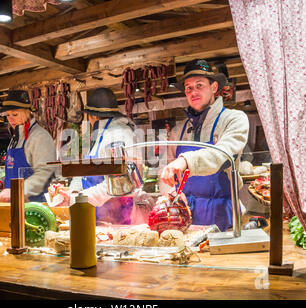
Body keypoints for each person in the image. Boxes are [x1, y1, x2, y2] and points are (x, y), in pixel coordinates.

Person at [159, 59, 249, 231]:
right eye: (189, 88)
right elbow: (164, 169)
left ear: (214, 87)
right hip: (184, 216)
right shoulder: (178, 131)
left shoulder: (234, 119)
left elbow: (223, 155)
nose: (193, 92)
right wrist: (169, 193)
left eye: (199, 85)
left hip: (223, 215)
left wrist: (184, 161)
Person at [71, 87, 139, 225]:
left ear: (93, 116)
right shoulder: (102, 134)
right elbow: (85, 170)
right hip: (96, 214)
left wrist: (81, 197)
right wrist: (73, 190)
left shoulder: (117, 134)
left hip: (116, 217)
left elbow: (121, 184)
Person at [0, 90, 56, 202]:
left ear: (27, 112)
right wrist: (2, 182)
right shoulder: (15, 138)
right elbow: (18, 173)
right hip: (15, 203)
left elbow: (45, 173)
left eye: (15, 114)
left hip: (34, 206)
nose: (10, 119)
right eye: (7, 115)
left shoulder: (39, 137)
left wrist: (16, 190)